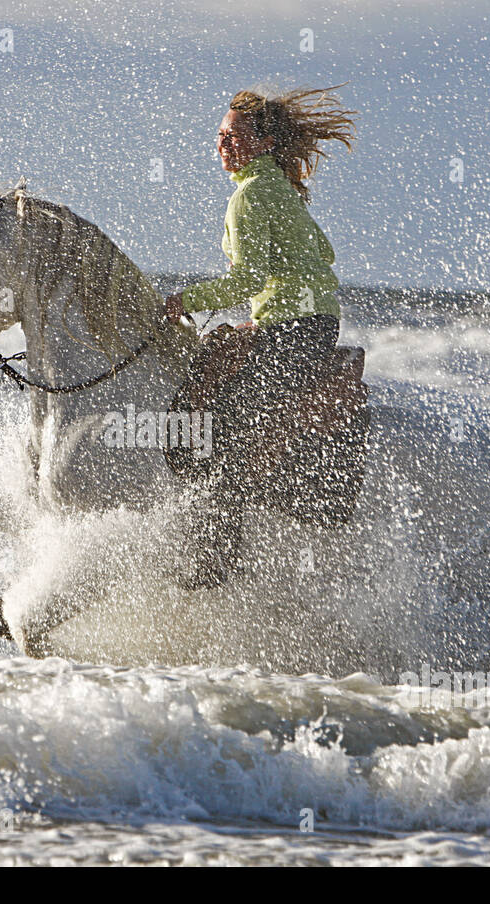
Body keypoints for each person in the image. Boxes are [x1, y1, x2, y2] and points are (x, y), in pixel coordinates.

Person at [164, 84, 357, 590]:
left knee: (224, 428)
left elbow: (247, 280)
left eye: (234, 137)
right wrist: (267, 313)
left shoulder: (249, 195)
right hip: (313, 323)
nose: (223, 145)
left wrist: (184, 301)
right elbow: (324, 253)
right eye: (220, 136)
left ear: (265, 143)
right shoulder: (280, 189)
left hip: (295, 328)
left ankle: (215, 561)